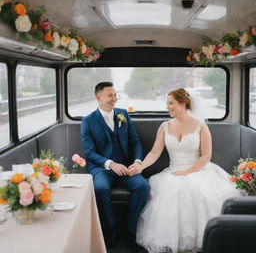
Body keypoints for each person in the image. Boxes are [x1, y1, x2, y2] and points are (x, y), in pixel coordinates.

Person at [133, 88, 241, 253]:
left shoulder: (200, 126)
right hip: (173, 171)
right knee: (170, 190)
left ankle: (202, 240)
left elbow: (206, 156)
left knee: (198, 191)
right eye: (167, 103)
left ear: (183, 103)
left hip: (199, 170)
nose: (167, 107)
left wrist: (188, 172)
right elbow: (154, 153)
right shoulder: (165, 126)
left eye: (171, 103)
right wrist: (141, 166)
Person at [80, 82, 149, 252]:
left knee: (142, 186)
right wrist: (110, 164)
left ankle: (130, 233)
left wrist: (138, 162)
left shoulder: (123, 114)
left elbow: (135, 142)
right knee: (100, 188)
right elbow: (89, 153)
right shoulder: (88, 121)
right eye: (110, 95)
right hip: (101, 168)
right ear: (98, 97)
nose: (114, 98)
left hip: (126, 167)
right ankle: (110, 233)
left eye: (115, 94)